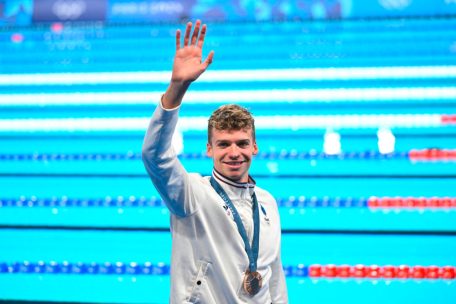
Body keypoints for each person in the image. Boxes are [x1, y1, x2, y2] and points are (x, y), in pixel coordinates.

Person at [142, 20, 288, 304]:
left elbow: (275, 278)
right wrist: (177, 87)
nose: (234, 152)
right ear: (209, 149)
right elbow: (155, 156)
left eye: (242, 143)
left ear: (254, 146)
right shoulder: (192, 194)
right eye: (224, 144)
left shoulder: (268, 202)